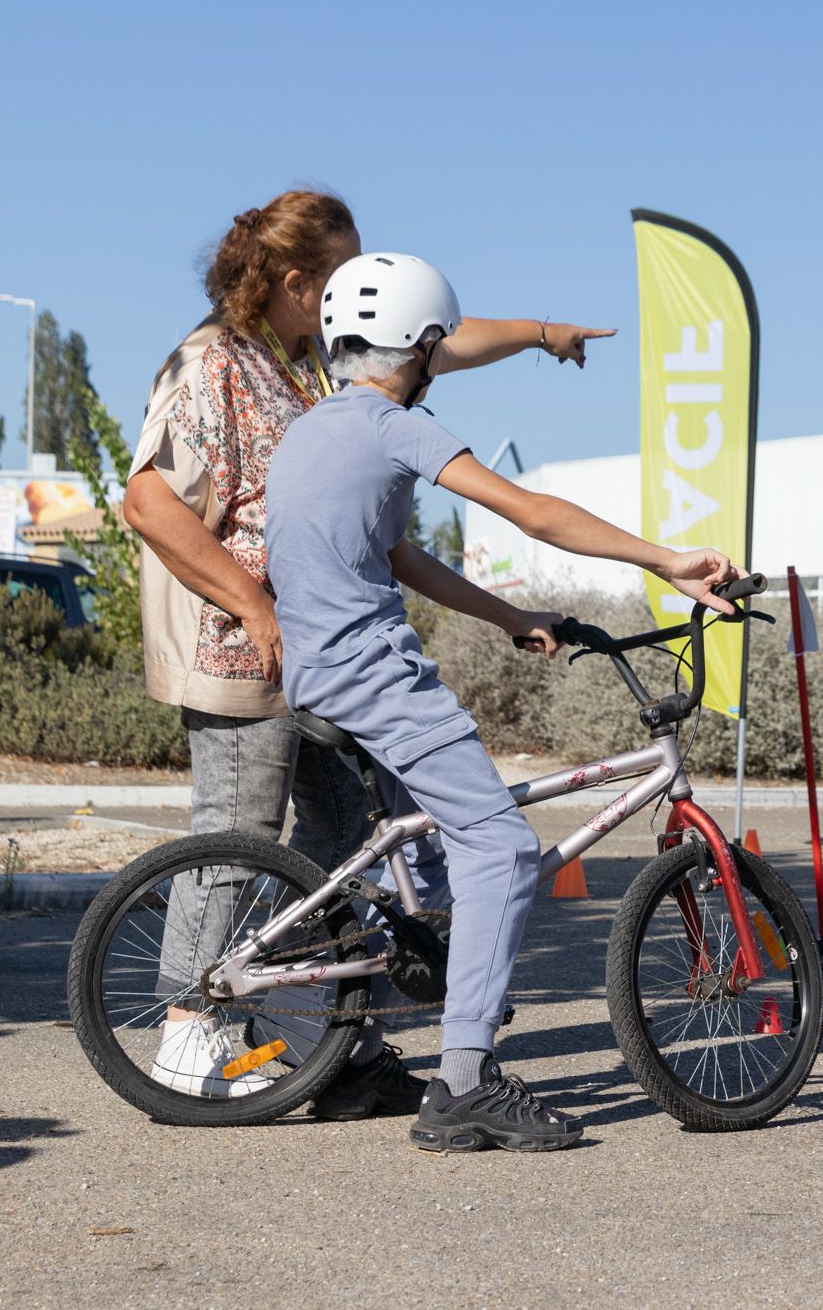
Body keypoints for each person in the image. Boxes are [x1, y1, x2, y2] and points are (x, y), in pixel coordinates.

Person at [123, 190, 614, 1116]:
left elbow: (438, 341)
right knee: (237, 834)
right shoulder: (214, 361)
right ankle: (189, 1027)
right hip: (238, 646)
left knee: (341, 840)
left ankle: (322, 1038)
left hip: (314, 648)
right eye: (341, 273)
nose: (356, 290)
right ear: (296, 281)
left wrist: (541, 334)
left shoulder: (310, 361)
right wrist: (253, 605)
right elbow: (148, 502)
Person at [265, 251, 739, 1153]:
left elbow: (400, 558)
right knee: (503, 848)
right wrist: (666, 559)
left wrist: (511, 616)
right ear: (420, 345)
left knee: (436, 861)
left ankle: (389, 1005)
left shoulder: (317, 427)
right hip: (371, 673)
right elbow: (533, 512)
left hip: (323, 670)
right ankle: (465, 1082)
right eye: (436, 347)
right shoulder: (393, 428)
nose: (442, 360)